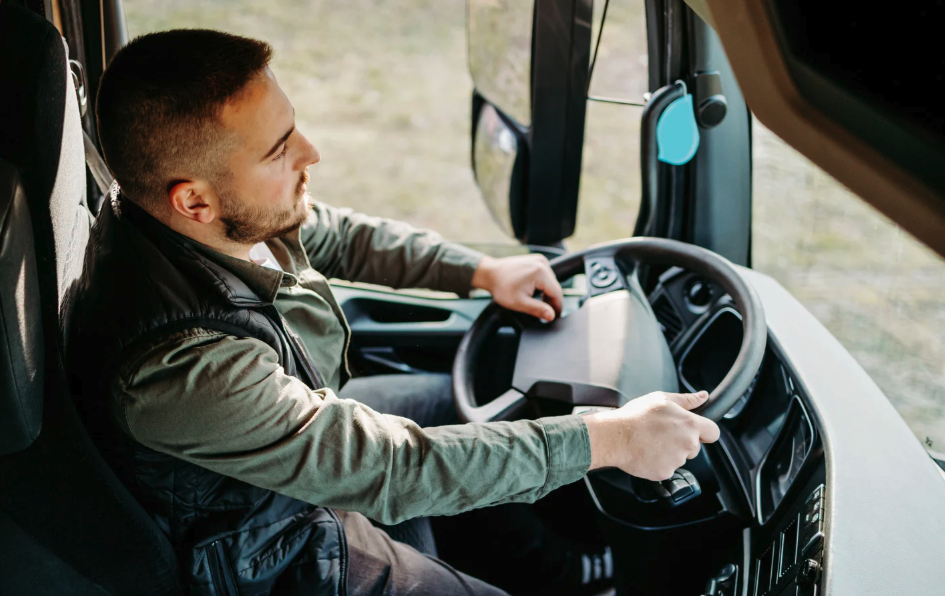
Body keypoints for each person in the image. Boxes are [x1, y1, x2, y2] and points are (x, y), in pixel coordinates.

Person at [63, 29, 721, 596]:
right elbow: (393, 471)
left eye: (291, 128)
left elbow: (338, 235)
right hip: (262, 544)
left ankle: (567, 570)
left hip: (288, 449)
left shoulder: (206, 219)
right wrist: (609, 440)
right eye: (278, 150)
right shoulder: (182, 367)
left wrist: (481, 270)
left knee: (462, 403)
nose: (311, 154)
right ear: (194, 201)